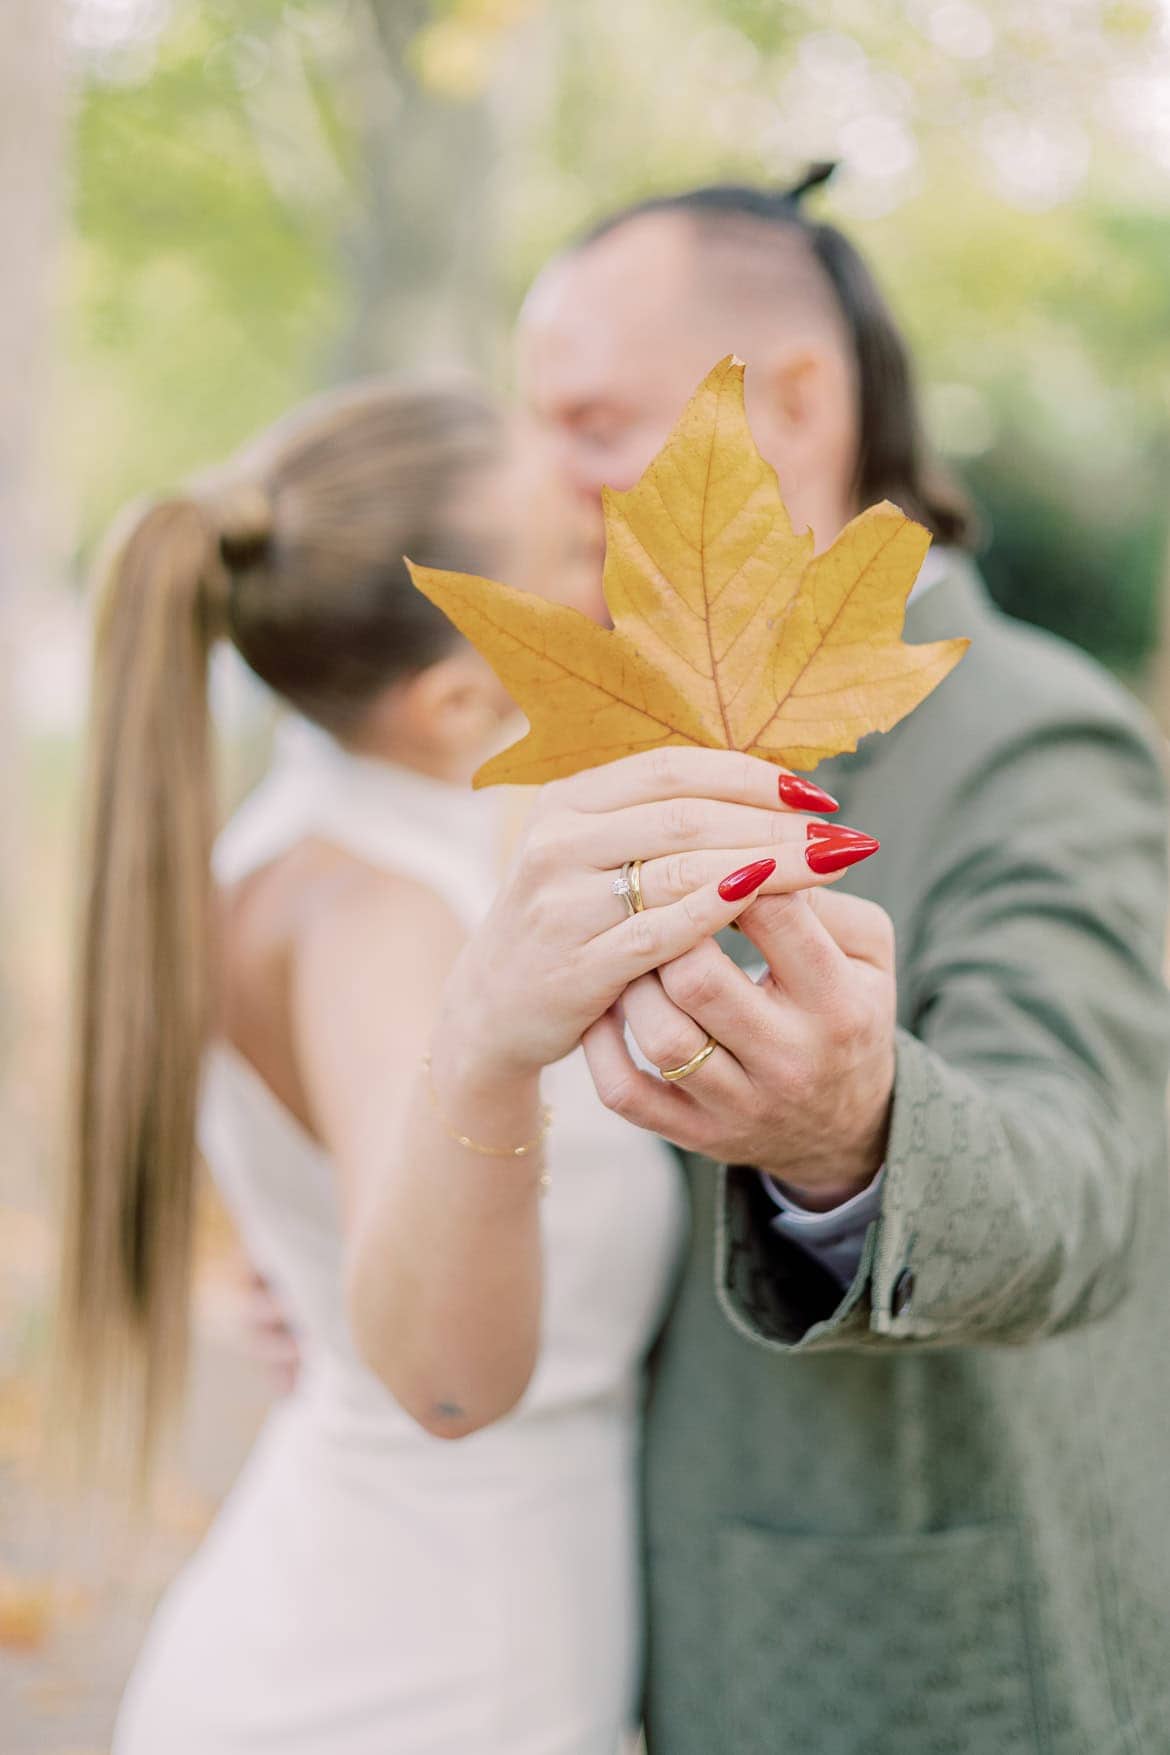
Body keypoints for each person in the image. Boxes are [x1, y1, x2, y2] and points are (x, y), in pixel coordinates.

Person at [59, 375, 878, 1754]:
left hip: (466, 1619)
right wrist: (491, 1058)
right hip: (414, 1679)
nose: (618, 559)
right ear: (450, 696)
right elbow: (445, 1380)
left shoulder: (404, 826)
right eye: (570, 551)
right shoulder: (369, 915)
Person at [509, 172, 1170, 1749]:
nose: (546, 483)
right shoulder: (630, 742)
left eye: (593, 425)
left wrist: (852, 1139)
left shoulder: (1028, 734)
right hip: (637, 1616)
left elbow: (1083, 1184)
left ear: (798, 402)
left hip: (910, 1658)